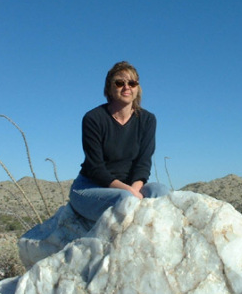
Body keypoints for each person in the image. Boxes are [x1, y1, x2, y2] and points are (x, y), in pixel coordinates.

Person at [69, 61, 171, 221]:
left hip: (130, 186)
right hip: (91, 187)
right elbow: (96, 168)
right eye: (119, 83)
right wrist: (130, 193)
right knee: (126, 201)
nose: (126, 87)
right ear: (109, 88)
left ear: (137, 88)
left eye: (132, 83)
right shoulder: (93, 119)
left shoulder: (147, 120)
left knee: (162, 192)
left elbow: (143, 163)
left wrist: (135, 189)